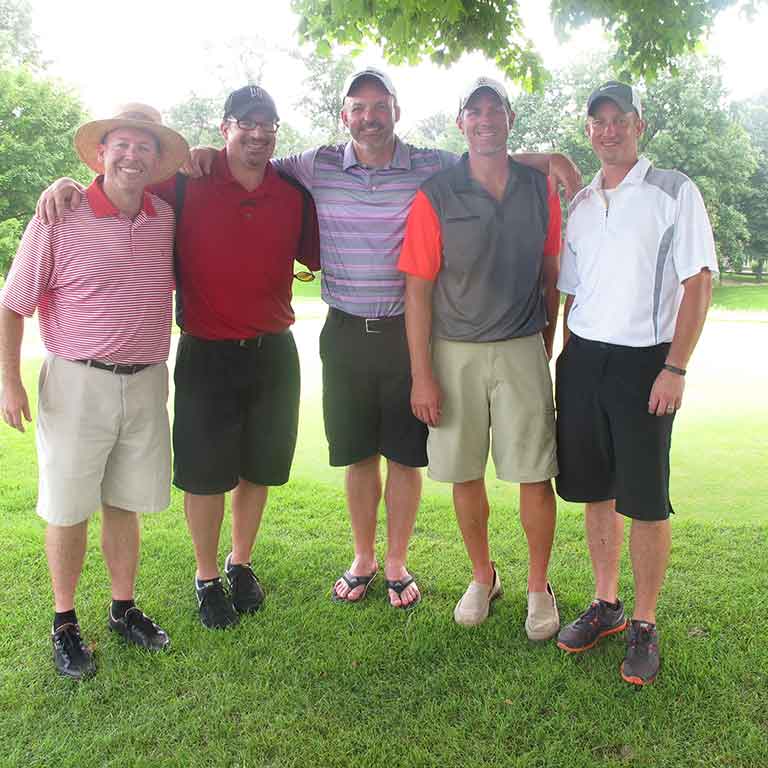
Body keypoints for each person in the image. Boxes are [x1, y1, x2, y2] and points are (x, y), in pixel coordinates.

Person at [39, 69, 580, 611]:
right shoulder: (312, 165)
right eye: (357, 108)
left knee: (402, 458)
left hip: (405, 331)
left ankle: (391, 562)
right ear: (343, 117)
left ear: (396, 111)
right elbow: (201, 168)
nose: (369, 117)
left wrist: (547, 159)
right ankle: (354, 559)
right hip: (336, 330)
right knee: (352, 455)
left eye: (379, 106)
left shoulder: (428, 164)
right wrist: (187, 153)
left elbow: (485, 157)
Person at [35, 86, 321, 630]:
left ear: (276, 131)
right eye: (246, 122)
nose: (257, 133)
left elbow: (316, 252)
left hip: (273, 349)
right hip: (206, 350)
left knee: (258, 468)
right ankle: (207, 577)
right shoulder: (185, 181)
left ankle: (241, 564)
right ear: (224, 127)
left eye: (268, 124)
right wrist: (63, 186)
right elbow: (118, 178)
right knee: (205, 474)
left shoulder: (291, 193)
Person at [0, 105, 189, 679]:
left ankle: (122, 609)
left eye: (145, 148)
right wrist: (8, 380)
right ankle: (64, 623)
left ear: (158, 162)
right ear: (101, 153)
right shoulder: (60, 212)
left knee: (124, 502)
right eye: (122, 145)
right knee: (67, 505)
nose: (132, 156)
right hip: (77, 380)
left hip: (146, 379)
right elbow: (12, 304)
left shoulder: (164, 217)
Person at [554, 81, 717, 685]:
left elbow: (697, 283)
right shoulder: (580, 201)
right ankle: (607, 604)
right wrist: (568, 361)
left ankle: (645, 623)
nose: (608, 130)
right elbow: (571, 293)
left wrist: (675, 367)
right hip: (584, 359)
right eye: (597, 122)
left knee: (645, 497)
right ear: (590, 130)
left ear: (638, 124)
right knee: (596, 491)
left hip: (646, 360)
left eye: (618, 119)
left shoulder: (674, 190)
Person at [398, 78, 561, 637]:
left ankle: (539, 587)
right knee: (464, 472)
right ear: (461, 122)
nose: (485, 118)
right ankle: (482, 575)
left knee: (535, 476)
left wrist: (544, 345)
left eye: (496, 109)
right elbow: (416, 289)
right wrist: (422, 374)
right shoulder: (436, 193)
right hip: (455, 352)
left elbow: (551, 274)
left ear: (511, 119)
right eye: (475, 111)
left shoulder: (541, 189)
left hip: (521, 348)